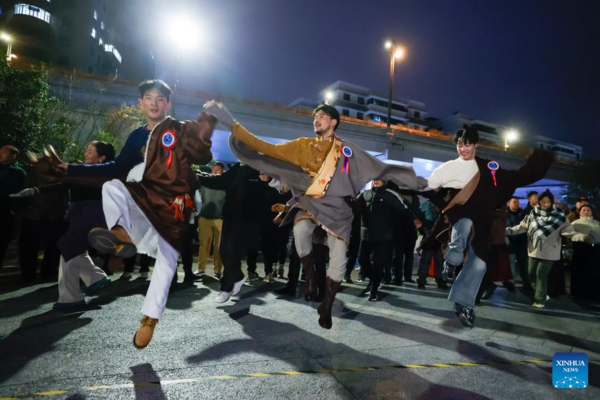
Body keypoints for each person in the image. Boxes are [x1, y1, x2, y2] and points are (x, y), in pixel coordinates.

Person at [206, 101, 427, 329]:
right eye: (314, 116)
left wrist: (417, 182)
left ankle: (327, 306)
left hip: (339, 211)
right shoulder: (302, 146)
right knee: (300, 232)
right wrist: (230, 122)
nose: (316, 119)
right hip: (310, 203)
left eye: (321, 115)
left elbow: (379, 167)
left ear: (333, 121)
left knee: (339, 257)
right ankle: (309, 277)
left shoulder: (347, 149)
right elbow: (264, 146)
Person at [37, 80, 214, 348]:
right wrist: (68, 169)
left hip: (172, 206)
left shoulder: (178, 130)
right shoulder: (136, 137)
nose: (154, 103)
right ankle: (120, 236)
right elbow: (114, 167)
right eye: (148, 98)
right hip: (141, 201)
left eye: (160, 98)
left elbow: (202, 154)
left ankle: (149, 320)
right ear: (141, 103)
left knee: (166, 263)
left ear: (168, 103)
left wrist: (203, 135)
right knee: (112, 188)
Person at [424, 127, 553, 327]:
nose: (463, 148)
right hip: (457, 221)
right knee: (464, 224)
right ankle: (451, 260)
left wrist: (539, 159)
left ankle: (464, 303)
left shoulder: (489, 168)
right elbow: (429, 190)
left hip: (482, 226)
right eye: (459, 144)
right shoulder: (447, 168)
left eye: (467, 144)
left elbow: (516, 177)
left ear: (476, 145)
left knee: (480, 264)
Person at [52, 141, 116, 308]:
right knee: (75, 249)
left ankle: (71, 297)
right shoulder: (83, 170)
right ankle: (95, 277)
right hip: (80, 214)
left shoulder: (103, 174)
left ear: (101, 158)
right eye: (86, 150)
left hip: (92, 214)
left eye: (91, 151)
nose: (86, 153)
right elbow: (64, 183)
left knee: (69, 248)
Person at [506, 190, 574, 308]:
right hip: (534, 250)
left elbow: (568, 229)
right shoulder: (532, 215)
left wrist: (574, 234)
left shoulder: (559, 216)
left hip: (550, 251)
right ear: (539, 202)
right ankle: (542, 293)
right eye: (543, 201)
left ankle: (540, 299)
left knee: (540, 274)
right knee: (531, 275)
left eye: (548, 202)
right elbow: (521, 227)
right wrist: (507, 230)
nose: (546, 204)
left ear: (552, 202)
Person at [357, 180, 418, 301]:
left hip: (384, 235)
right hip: (366, 235)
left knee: (379, 263)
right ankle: (375, 280)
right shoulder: (366, 194)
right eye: (374, 178)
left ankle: (373, 290)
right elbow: (354, 206)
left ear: (384, 180)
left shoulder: (390, 194)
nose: (376, 180)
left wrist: (414, 220)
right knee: (362, 260)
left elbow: (403, 209)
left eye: (379, 178)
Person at [197, 162, 226, 279]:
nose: (215, 171)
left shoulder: (225, 184)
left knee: (218, 246)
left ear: (222, 171)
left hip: (220, 218)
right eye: (214, 169)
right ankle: (200, 268)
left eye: (218, 169)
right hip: (204, 216)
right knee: (204, 244)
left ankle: (218, 269)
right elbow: (200, 197)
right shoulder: (205, 183)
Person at [0, 145, 26, 268]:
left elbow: (21, 196)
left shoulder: (18, 173)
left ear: (13, 156)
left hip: (4, 213)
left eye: (4, 153)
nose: (0, 155)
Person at [569, 205, 600, 300]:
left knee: (594, 272)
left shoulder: (597, 223)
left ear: (592, 212)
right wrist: (580, 237)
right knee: (580, 272)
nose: (586, 212)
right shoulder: (575, 223)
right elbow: (570, 235)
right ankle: (578, 293)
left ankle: (593, 293)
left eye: (588, 210)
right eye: (584, 210)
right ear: (580, 212)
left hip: (596, 250)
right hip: (581, 250)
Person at [506, 196, 533, 291]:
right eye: (514, 202)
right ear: (509, 203)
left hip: (521, 242)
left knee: (523, 264)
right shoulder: (506, 214)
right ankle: (510, 282)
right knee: (511, 263)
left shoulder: (523, 214)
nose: (517, 204)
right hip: (510, 243)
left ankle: (526, 282)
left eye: (517, 202)